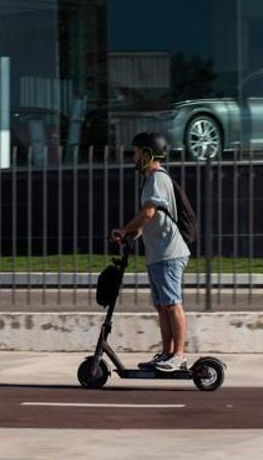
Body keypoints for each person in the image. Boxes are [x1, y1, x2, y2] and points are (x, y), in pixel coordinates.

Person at [111, 131, 191, 373]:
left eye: (135, 153)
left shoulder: (157, 178)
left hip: (169, 252)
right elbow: (150, 220)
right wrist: (130, 235)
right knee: (163, 306)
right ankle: (166, 354)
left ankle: (178, 356)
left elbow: (148, 213)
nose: (133, 158)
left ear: (146, 154)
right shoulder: (151, 180)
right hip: (158, 254)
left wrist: (126, 229)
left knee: (173, 304)